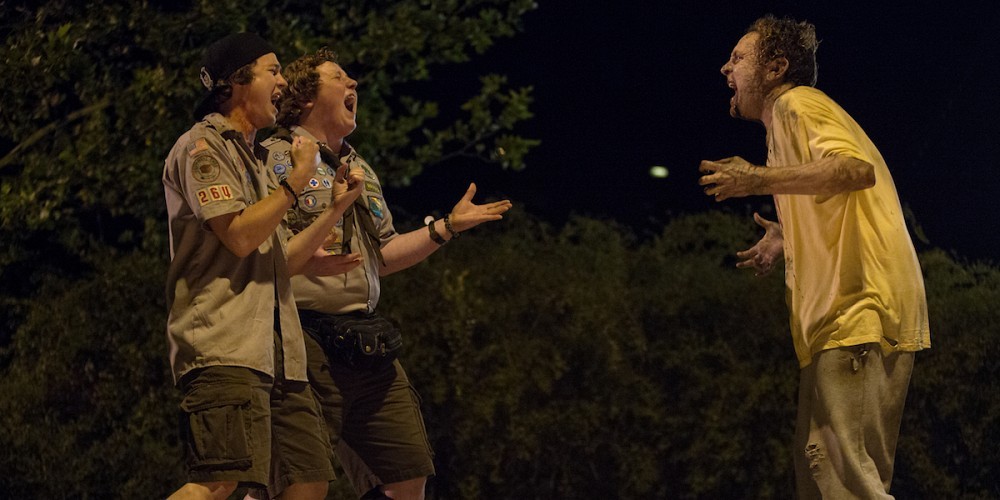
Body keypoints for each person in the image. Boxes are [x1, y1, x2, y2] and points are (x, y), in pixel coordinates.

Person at [259, 48, 512, 499]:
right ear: (305, 97)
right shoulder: (273, 158)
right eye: (339, 77)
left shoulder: (360, 168)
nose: (353, 83)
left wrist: (447, 227)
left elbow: (382, 256)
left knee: (407, 477)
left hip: (364, 338)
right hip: (302, 337)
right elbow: (263, 250)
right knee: (297, 483)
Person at [698, 15, 931, 499]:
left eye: (738, 58)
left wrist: (756, 180)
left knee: (844, 484)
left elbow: (855, 171)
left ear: (776, 68)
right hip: (839, 322)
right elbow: (836, 193)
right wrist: (786, 236)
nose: (725, 68)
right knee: (821, 477)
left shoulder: (796, 104)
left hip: (860, 310)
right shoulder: (784, 128)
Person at [162, 33, 363, 500]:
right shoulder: (202, 147)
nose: (283, 81)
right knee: (218, 482)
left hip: (279, 354)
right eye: (272, 71)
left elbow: (278, 260)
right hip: (225, 344)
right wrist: (296, 181)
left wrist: (335, 208)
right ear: (236, 82)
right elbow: (238, 236)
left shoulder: (254, 161)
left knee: (307, 482)